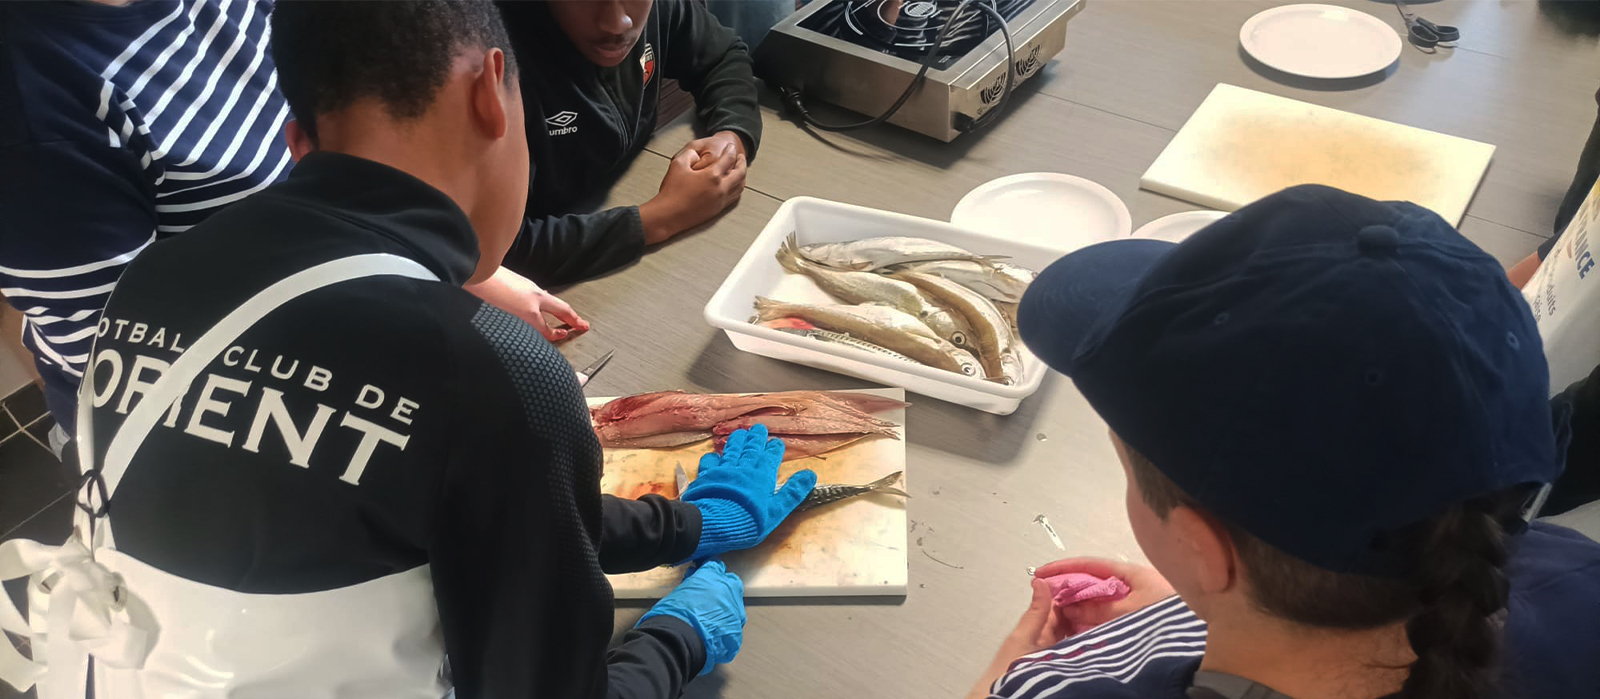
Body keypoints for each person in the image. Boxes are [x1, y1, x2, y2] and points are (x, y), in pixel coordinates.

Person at [0, 3, 814, 699]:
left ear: (291, 141)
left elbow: (463, 499)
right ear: (493, 91)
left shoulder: (152, 288)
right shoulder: (497, 373)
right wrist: (677, 635)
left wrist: (683, 525)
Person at [969, 185, 1600, 699]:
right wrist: (1187, 612)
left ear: (1199, 548)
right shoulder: (1574, 576)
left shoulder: (1054, 689)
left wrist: (1004, 679)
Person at [0, 0, 585, 448]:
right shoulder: (33, 109)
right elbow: (134, 365)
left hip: (338, 324)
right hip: (207, 428)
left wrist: (448, 270)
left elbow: (334, 156)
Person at [495, 0, 760, 287]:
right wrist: (663, 216)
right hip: (549, 281)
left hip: (619, 198)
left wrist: (731, 137)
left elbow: (722, 56)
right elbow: (497, 252)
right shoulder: (492, 64)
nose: (617, 22)